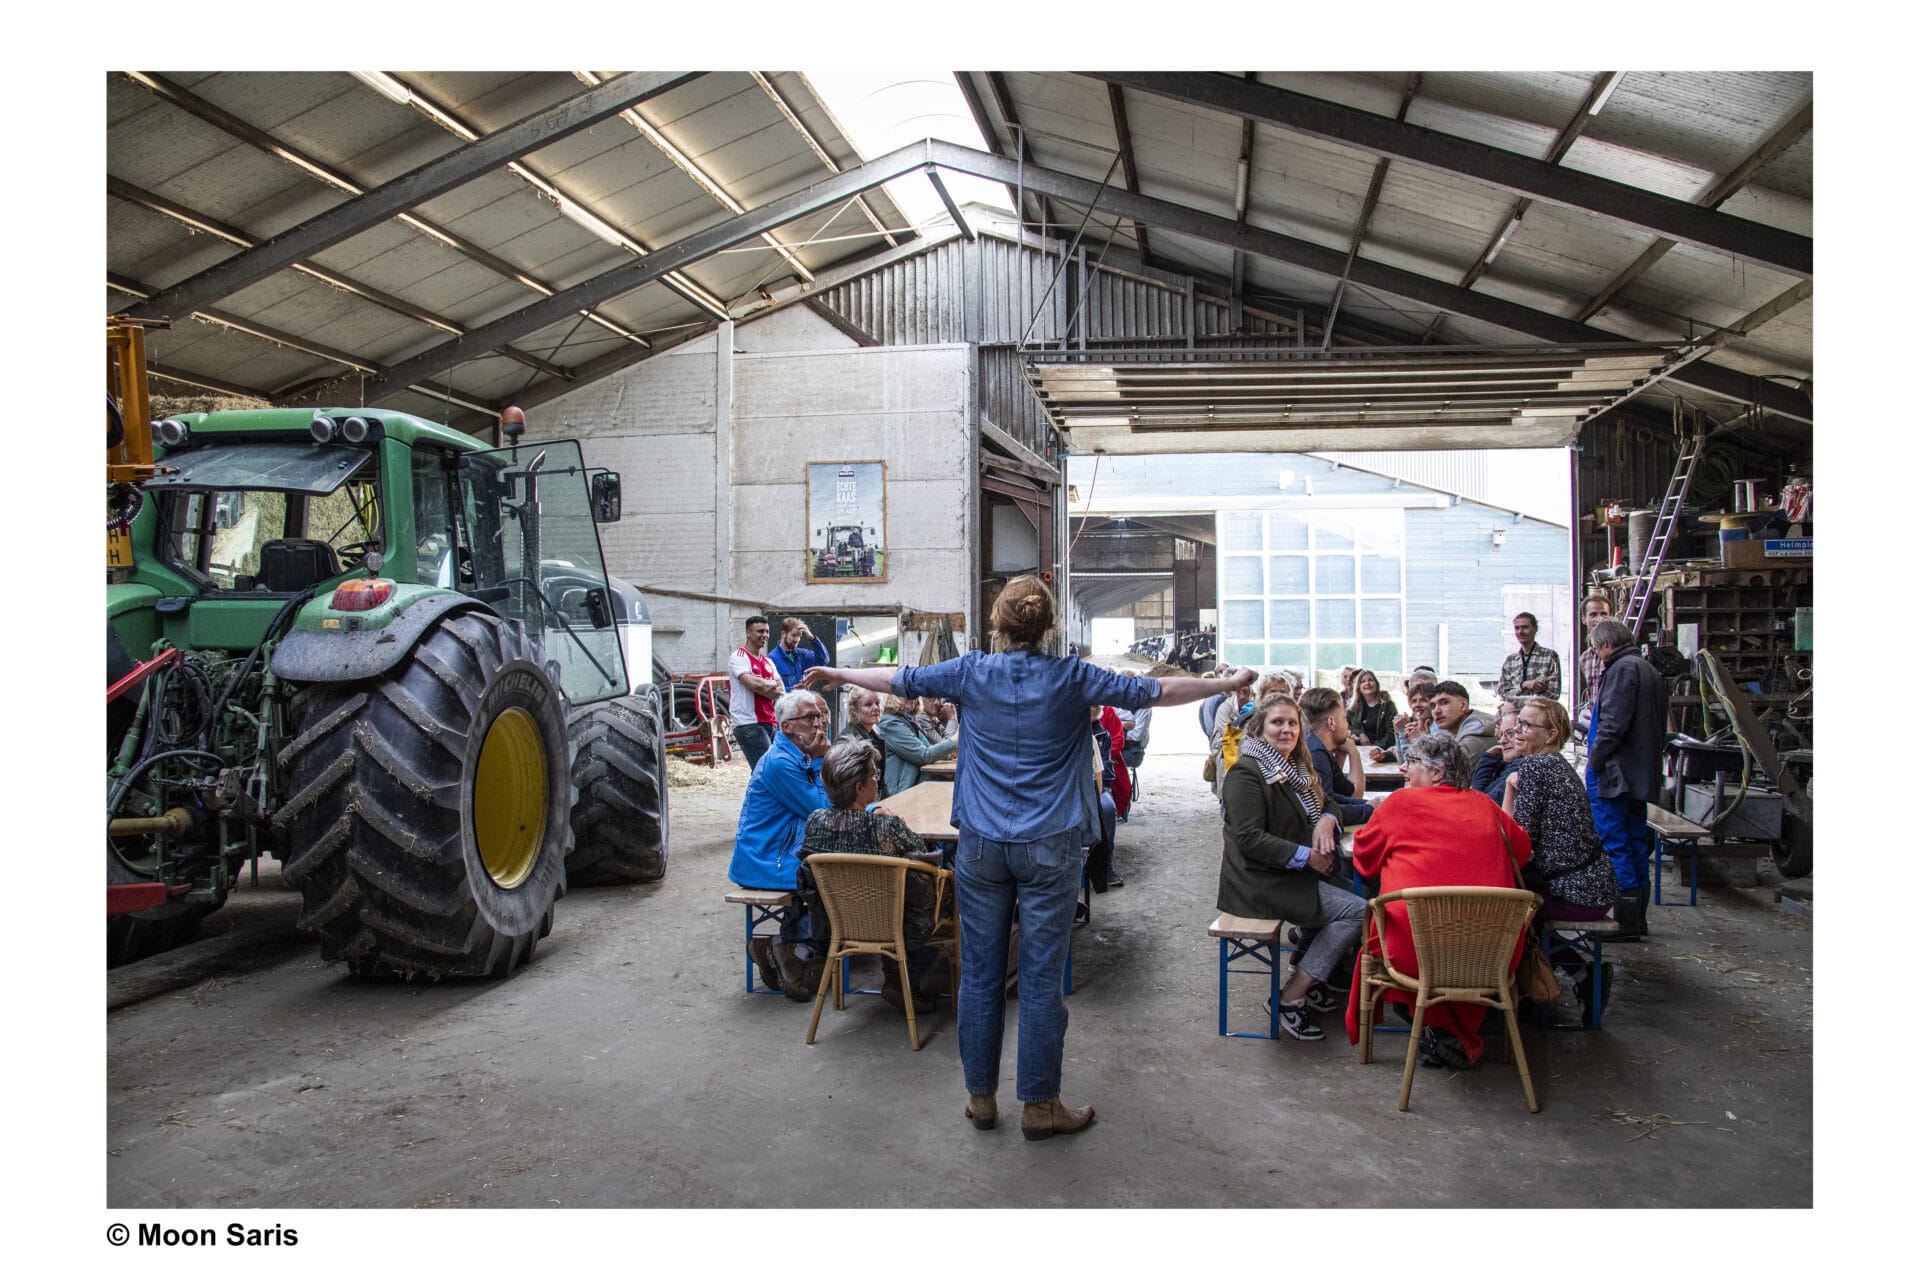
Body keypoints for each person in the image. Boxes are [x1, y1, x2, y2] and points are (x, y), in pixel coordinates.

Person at [801, 575, 1256, 1141]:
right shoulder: (1074, 678)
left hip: (983, 848)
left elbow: (897, 677)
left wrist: (839, 672)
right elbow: (1154, 693)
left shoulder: (970, 672)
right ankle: (1040, 1106)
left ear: (998, 625)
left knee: (981, 977)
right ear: (1048, 629)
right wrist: (1226, 681)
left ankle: (982, 1098)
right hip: (1050, 846)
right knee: (1040, 980)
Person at [1346, 733, 1534, 1070]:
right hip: (1491, 953)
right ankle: (1446, 1033)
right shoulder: (1483, 804)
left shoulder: (1400, 804)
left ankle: (1437, 1029)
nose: (1403, 768)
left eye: (1413, 762)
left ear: (1438, 772)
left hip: (1415, 955)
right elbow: (1522, 852)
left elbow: (1364, 858)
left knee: (1386, 930)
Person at [1218, 693, 1366, 1040]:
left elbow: (1328, 800)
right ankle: (1291, 995)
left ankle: (1311, 974)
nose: (1285, 730)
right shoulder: (1246, 772)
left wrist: (1328, 819)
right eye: (1277, 722)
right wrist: (1308, 856)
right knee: (1358, 911)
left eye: (1292, 723)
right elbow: (1249, 839)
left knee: (1351, 893)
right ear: (1260, 727)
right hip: (1258, 882)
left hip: (1289, 874)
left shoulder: (1296, 767)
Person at [802, 739, 946, 1014]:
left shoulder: (815, 821)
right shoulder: (886, 826)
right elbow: (921, 850)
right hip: (900, 923)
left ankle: (896, 976)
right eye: (874, 775)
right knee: (944, 880)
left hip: (837, 922)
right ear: (859, 788)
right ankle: (903, 975)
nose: (877, 779)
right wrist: (895, 821)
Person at [1503, 698, 1620, 1021]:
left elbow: (1517, 844)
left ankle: (1523, 991)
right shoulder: (1553, 764)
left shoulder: (1538, 767)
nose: (1516, 729)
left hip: (1577, 892)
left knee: (1507, 913)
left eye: (1527, 725)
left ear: (1551, 735)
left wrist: (1509, 793)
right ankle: (1581, 977)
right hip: (1592, 886)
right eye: (1518, 722)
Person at [727, 690, 833, 1000]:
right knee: (833, 878)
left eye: (820, 715)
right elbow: (821, 811)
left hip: (783, 855)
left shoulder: (795, 756)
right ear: (787, 727)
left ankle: (791, 949)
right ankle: (791, 948)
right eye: (810, 717)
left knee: (832, 869)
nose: (819, 723)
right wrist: (819, 761)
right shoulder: (780, 763)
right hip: (766, 861)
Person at [1586, 618, 1670, 940]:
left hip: (1614, 775)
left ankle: (1624, 922)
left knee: (1616, 844)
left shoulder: (1621, 670)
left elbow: (1612, 724)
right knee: (1635, 843)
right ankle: (1638, 919)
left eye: (1596, 648)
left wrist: (1595, 762)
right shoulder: (1647, 668)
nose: (1597, 654)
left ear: (1606, 645)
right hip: (1639, 772)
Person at [1299, 687, 1373, 827]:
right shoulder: (1315, 752)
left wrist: (1366, 805)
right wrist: (1353, 750)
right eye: (1344, 718)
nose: (1347, 725)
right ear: (1331, 723)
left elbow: (1339, 795)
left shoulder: (1315, 745)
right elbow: (1323, 811)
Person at [726, 615, 784, 770]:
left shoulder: (768, 662)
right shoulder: (738, 657)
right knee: (766, 770)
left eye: (767, 631)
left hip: (770, 722)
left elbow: (780, 690)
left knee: (768, 770)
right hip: (749, 724)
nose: (764, 635)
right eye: (760, 631)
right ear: (748, 633)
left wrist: (763, 684)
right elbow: (752, 683)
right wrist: (768, 684)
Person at [875, 694, 957, 796]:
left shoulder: (908, 720)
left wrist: (951, 751)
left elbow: (929, 749)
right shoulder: (890, 723)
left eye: (914, 693)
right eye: (907, 693)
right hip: (900, 793)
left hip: (915, 786)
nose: (913, 697)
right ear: (893, 696)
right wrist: (954, 740)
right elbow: (924, 755)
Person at [1497, 611, 1562, 705]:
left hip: (1540, 712)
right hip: (1514, 713)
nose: (1520, 631)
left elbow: (1554, 693)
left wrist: (1529, 703)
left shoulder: (1550, 656)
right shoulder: (1510, 660)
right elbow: (1502, 693)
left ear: (1535, 629)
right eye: (1517, 628)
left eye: (1525, 627)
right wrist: (1523, 685)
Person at [1370, 679, 1435, 763]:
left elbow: (1407, 760)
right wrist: (1385, 755)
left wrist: (1401, 731)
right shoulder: (1413, 725)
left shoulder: (1438, 727)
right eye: (1414, 701)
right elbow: (1401, 758)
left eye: (1423, 700)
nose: (1417, 705)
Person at [841, 688, 890, 797]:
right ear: (854, 710)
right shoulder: (850, 740)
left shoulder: (874, 735)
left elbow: (880, 782)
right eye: (868, 705)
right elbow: (849, 786)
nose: (876, 708)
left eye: (877, 703)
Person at [1430, 680, 1496, 761]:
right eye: (1433, 706)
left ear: (1463, 705)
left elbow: (1438, 772)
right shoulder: (1469, 728)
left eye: (1444, 703)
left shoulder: (1473, 738)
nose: (1437, 711)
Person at [1471, 706, 1526, 801]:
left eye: (1510, 733)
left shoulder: (1523, 766)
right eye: (1501, 735)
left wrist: (1487, 760)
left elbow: (1480, 803)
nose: (1502, 741)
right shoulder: (1508, 763)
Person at [769, 616, 830, 692]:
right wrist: (793, 690)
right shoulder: (771, 658)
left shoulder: (801, 654)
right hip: (785, 703)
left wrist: (812, 638)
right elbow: (770, 690)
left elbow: (823, 661)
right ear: (783, 633)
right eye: (794, 635)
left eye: (799, 635)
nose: (797, 639)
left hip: (803, 702)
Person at [1576, 593, 1613, 717]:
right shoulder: (1585, 659)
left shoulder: (1617, 653)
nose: (1599, 619)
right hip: (1597, 722)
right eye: (1593, 615)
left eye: (1604, 614)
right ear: (1584, 619)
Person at [1346, 668, 1396, 747]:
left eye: (1370, 680)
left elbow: (1392, 733)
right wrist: (1360, 733)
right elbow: (1346, 725)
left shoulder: (1388, 705)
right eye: (1363, 681)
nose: (1367, 683)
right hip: (1360, 750)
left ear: (1376, 683)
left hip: (1383, 751)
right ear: (1358, 687)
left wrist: (1377, 749)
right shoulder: (1354, 707)